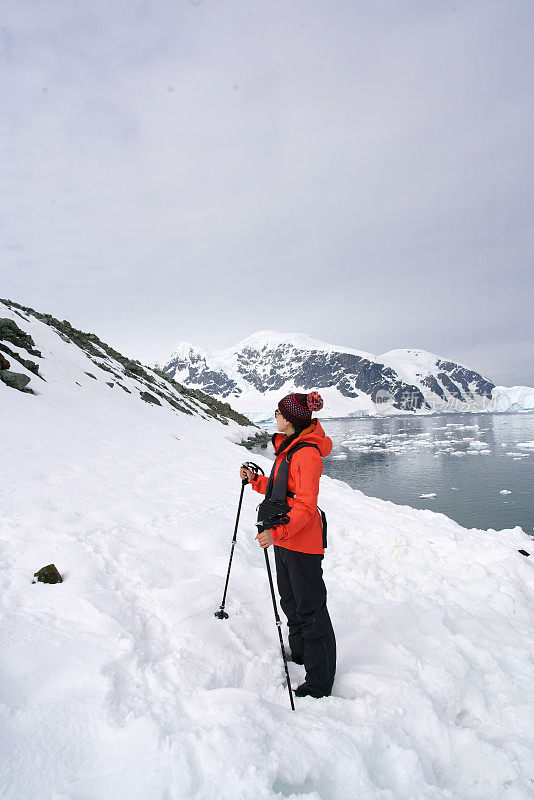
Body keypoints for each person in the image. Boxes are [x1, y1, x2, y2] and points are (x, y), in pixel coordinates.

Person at [239, 391, 336, 698]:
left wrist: (277, 533)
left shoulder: (306, 455)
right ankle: (301, 653)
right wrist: (255, 481)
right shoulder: (288, 448)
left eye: (280, 413)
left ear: (292, 420)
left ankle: (319, 684)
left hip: (301, 542)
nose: (276, 416)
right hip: (285, 535)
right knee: (290, 600)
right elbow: (282, 490)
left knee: (311, 611)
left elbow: (306, 507)